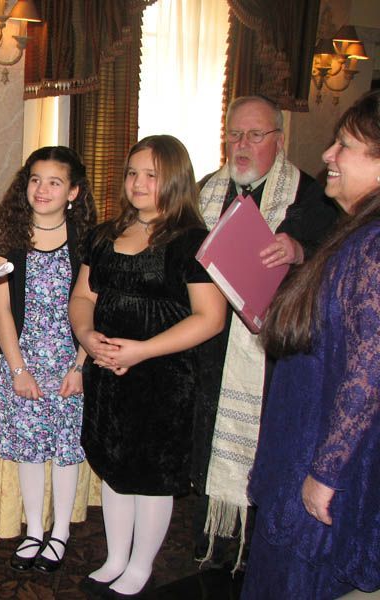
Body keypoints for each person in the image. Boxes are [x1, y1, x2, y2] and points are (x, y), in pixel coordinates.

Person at [70, 135, 226, 598]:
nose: (138, 183)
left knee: (152, 475)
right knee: (116, 466)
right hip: (108, 371)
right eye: (133, 173)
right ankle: (116, 557)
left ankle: (140, 566)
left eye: (151, 175)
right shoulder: (103, 235)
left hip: (164, 377)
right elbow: (82, 297)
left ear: (174, 180)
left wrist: (141, 350)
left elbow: (211, 318)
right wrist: (85, 336)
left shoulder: (193, 241)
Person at [241, 90, 380, 600]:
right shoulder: (358, 233)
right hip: (302, 450)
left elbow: (371, 371)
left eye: (344, 145)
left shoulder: (375, 245)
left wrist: (325, 472)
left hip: (319, 466)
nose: (327, 155)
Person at [192, 95, 340, 567]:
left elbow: (335, 258)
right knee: (206, 437)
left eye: (255, 135)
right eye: (234, 134)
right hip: (211, 347)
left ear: (280, 139)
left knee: (265, 449)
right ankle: (208, 534)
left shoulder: (311, 196)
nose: (242, 144)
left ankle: (255, 542)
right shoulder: (204, 192)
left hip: (274, 354)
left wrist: (299, 249)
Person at [0, 146, 96, 573]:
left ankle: (60, 532)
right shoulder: (6, 237)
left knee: (65, 451)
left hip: (70, 361)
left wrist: (82, 365)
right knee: (30, 450)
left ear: (73, 192)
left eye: (54, 182)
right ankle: (33, 530)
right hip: (23, 359)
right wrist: (18, 370)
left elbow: (94, 306)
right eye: (35, 179)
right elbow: (0, 309)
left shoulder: (89, 241)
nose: (42, 189)